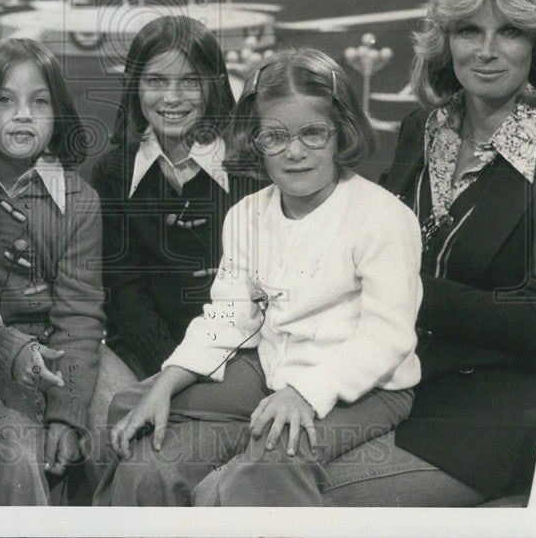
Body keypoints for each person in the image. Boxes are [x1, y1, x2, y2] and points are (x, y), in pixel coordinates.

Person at [319, 0, 536, 506]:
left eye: (508, 31)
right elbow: (368, 241)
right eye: (468, 31)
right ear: (445, 41)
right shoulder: (420, 130)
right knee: (246, 467)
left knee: (305, 492)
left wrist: (402, 288)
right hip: (390, 376)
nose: (486, 51)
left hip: (489, 410)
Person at [95, 49, 423, 506]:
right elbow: (230, 316)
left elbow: (386, 338)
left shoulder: (383, 216)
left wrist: (305, 394)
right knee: (138, 418)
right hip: (271, 372)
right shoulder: (247, 214)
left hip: (366, 388)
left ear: (341, 133)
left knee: (273, 458)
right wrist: (169, 379)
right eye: (275, 136)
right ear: (255, 140)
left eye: (313, 133)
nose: (294, 152)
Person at [0, 38, 105, 505]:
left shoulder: (79, 200)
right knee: (15, 454)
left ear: (58, 114)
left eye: (39, 102)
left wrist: (68, 412)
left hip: (66, 345)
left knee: (120, 426)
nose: (23, 115)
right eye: (4, 100)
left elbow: (79, 313)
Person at [88, 16, 261, 433]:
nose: (171, 97)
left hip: (241, 354)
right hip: (144, 353)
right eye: (156, 81)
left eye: (190, 81)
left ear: (215, 84)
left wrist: (189, 375)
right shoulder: (112, 171)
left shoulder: (252, 167)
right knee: (110, 428)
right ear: (135, 87)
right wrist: (168, 371)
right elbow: (126, 295)